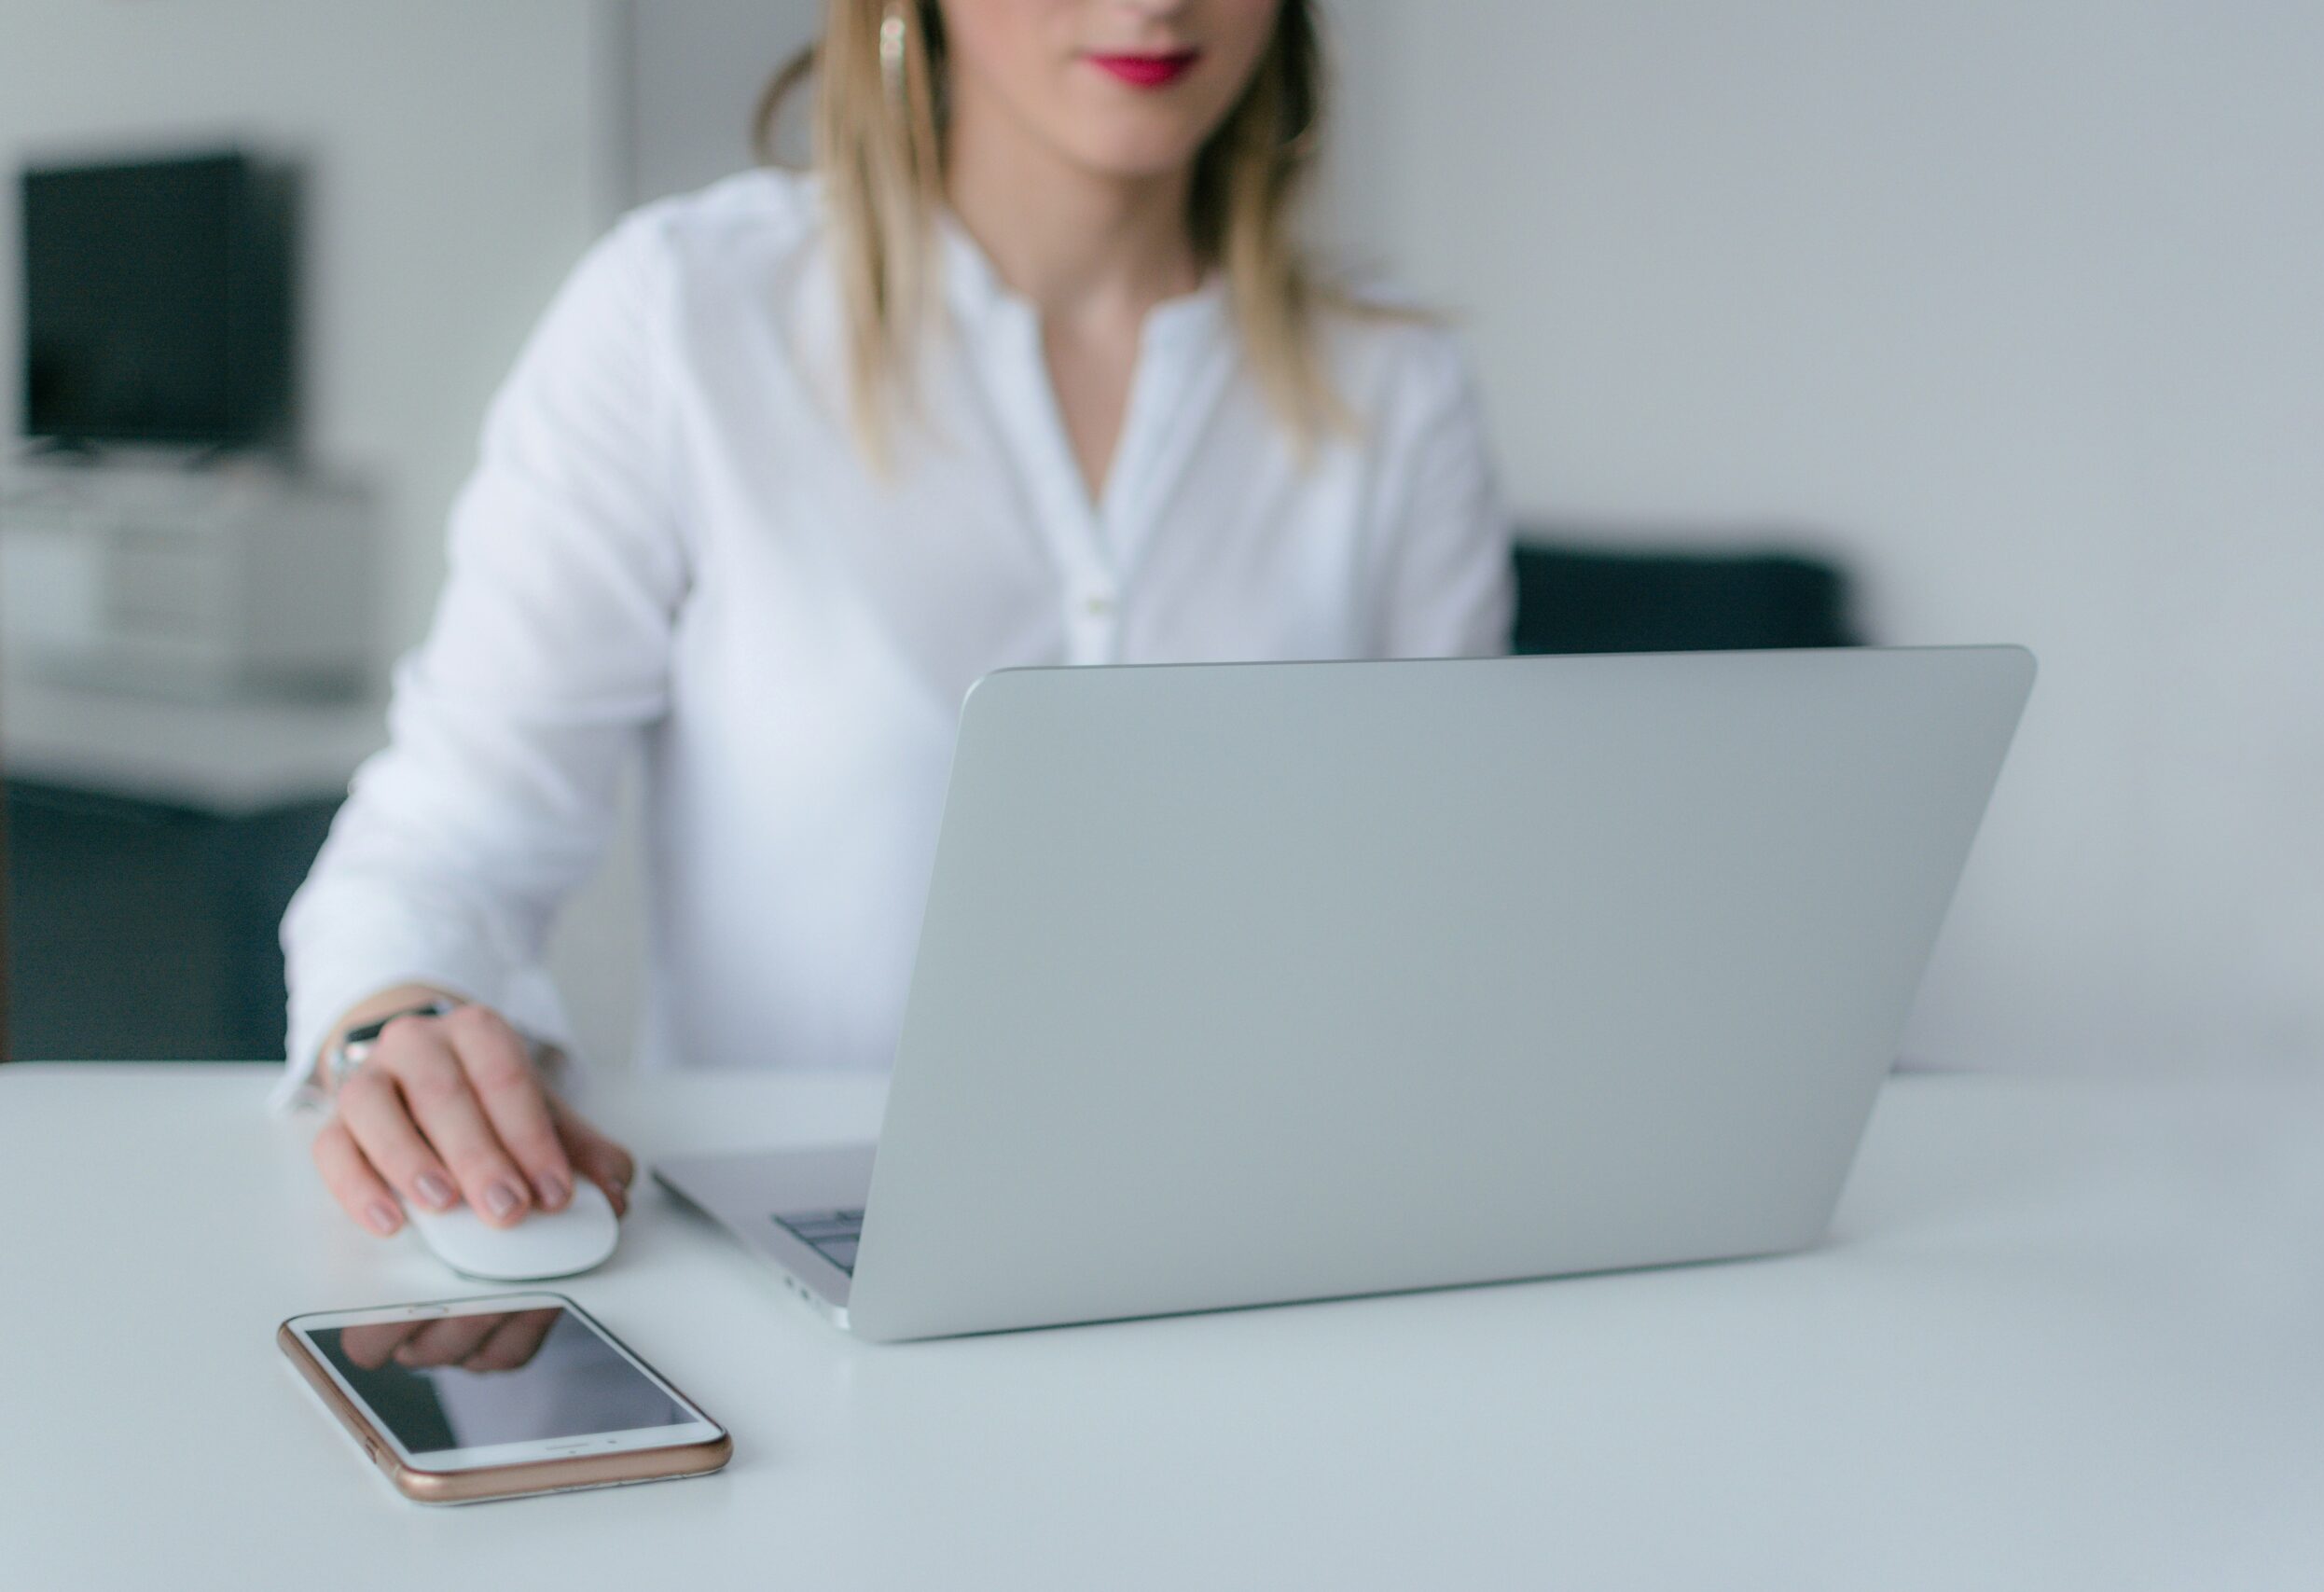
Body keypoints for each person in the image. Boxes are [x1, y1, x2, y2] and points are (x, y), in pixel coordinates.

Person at [277, 0, 1514, 1239]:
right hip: (803, 1245)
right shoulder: (685, 318)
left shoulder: (1396, 391)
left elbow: (1449, 914)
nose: (1153, 3)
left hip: (1265, 1238)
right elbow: (445, 845)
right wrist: (401, 1028)